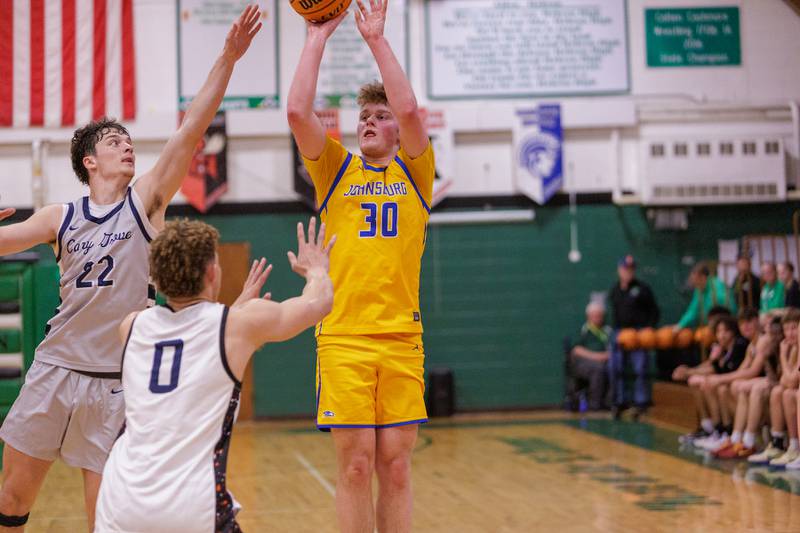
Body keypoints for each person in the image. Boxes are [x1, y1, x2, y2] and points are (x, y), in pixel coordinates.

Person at [0, 6, 262, 530]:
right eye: (112, 140)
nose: (125, 145)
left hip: (115, 382)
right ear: (89, 162)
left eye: (127, 139)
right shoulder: (62, 215)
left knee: (105, 514)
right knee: (11, 497)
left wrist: (228, 59)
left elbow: (191, 129)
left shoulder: (145, 203)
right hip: (55, 369)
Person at [286, 1, 435, 531]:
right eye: (363, 117)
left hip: (400, 337)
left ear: (397, 131)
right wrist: (317, 37)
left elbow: (412, 111)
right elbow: (298, 114)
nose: (369, 122)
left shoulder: (417, 174)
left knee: (395, 468)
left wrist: (375, 39)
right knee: (354, 465)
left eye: (380, 116)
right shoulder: (335, 170)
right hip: (345, 337)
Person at [94, 217, 334, 532]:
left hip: (119, 502)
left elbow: (186, 351)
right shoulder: (237, 326)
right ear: (211, 272)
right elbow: (318, 302)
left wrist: (233, 313)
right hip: (191, 506)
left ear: (157, 277)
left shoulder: (131, 326)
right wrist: (316, 269)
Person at [608, 254, 660, 419]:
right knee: (615, 367)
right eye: (625, 269)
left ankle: (641, 402)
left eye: (631, 269)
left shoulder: (643, 289)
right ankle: (619, 401)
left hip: (639, 333)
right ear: (619, 270)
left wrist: (649, 328)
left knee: (640, 368)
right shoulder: (615, 290)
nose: (628, 272)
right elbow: (615, 314)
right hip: (621, 332)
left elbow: (654, 311)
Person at [687, 315, 750, 451]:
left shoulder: (740, 345)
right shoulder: (724, 349)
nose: (721, 335)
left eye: (725, 331)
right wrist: (711, 361)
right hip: (734, 388)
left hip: (741, 390)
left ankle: (725, 431)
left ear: (733, 331)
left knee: (719, 388)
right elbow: (715, 369)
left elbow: (731, 371)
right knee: (709, 384)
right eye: (719, 332)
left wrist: (714, 373)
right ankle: (714, 429)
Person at [748, 310, 800, 466]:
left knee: (795, 394)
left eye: (794, 328)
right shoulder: (794, 348)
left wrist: (783, 356)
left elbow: (790, 381)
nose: (789, 333)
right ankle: (785, 445)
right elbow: (785, 381)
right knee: (780, 392)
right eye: (786, 329)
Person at [567, 301, 612, 411]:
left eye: (599, 315)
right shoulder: (584, 330)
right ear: (589, 316)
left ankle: (611, 402)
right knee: (598, 369)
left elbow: (612, 349)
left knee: (614, 368)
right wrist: (597, 357)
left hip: (606, 361)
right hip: (584, 363)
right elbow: (576, 350)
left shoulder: (608, 330)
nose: (597, 318)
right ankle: (595, 404)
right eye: (595, 316)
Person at [675, 262, 735, 331]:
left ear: (703, 277)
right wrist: (680, 325)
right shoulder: (699, 289)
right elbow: (693, 310)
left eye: (695, 280)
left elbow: (728, 309)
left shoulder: (717, 287)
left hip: (724, 327)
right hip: (708, 326)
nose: (693, 283)